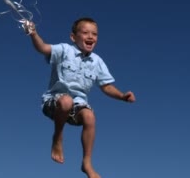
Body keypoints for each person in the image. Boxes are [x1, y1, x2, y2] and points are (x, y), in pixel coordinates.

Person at [24, 17, 136, 178]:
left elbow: (106, 86)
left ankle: (87, 163)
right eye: (85, 33)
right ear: (73, 37)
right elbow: (43, 48)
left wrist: (122, 96)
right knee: (66, 101)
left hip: (78, 105)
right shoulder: (64, 50)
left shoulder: (97, 61)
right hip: (54, 103)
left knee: (90, 116)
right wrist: (33, 34)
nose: (91, 37)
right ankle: (57, 138)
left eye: (94, 34)